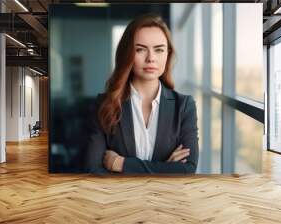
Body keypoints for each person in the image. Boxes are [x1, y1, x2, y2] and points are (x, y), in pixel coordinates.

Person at [85, 13, 199, 174]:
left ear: (168, 54)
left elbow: (187, 170)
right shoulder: (104, 104)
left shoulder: (184, 106)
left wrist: (121, 164)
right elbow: (93, 170)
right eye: (140, 50)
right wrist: (165, 169)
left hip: (168, 198)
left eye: (159, 50)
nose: (151, 58)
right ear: (128, 54)